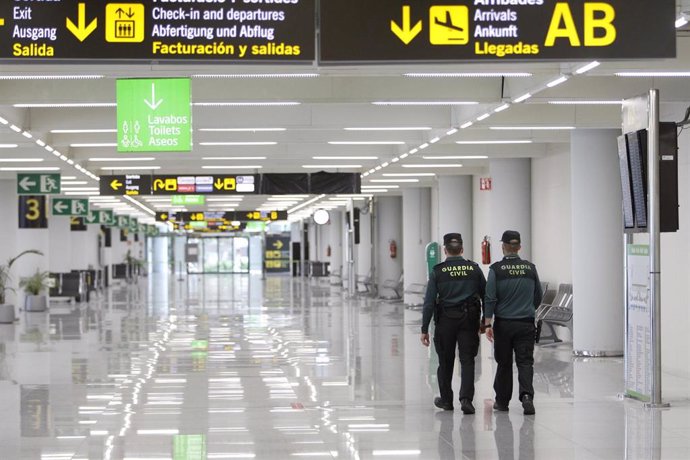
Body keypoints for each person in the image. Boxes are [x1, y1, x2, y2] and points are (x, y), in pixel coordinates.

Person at [421, 233, 486, 414]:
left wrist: (424, 328)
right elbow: (486, 295)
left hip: (446, 321)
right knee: (467, 360)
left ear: (444, 250)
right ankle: (466, 400)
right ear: (462, 249)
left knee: (445, 361)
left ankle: (447, 400)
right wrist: (485, 321)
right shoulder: (474, 269)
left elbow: (429, 302)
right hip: (469, 320)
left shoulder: (438, 271)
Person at [484, 230, 543, 415]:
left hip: (504, 324)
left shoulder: (496, 270)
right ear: (519, 247)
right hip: (525, 323)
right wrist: (526, 308)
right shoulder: (530, 268)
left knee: (504, 363)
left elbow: (490, 298)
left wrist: (487, 323)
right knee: (525, 362)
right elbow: (538, 296)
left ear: (503, 247)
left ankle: (502, 402)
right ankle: (527, 397)